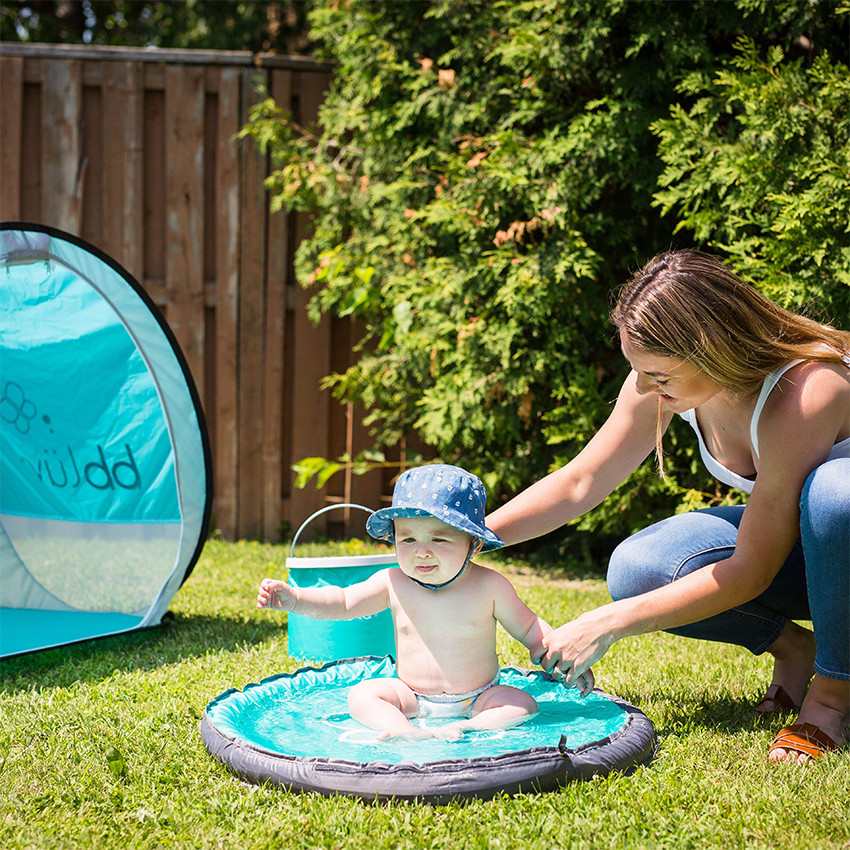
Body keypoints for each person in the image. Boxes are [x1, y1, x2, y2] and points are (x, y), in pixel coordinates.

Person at [486, 249, 849, 764]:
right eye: (637, 370)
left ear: (714, 349)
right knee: (642, 569)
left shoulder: (808, 390)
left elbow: (751, 570)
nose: (642, 387)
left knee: (837, 493)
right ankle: (795, 649)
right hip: (811, 559)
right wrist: (470, 535)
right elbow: (580, 482)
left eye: (657, 375)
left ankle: (833, 700)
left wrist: (607, 622)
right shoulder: (655, 384)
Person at [257, 464, 594, 741]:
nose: (421, 550)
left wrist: (565, 661)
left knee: (522, 703)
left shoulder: (490, 586)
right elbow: (343, 602)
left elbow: (531, 629)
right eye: (408, 539)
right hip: (410, 695)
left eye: (438, 538)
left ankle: (468, 728)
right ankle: (402, 729)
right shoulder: (393, 582)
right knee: (361, 696)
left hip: (479, 697)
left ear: (474, 545)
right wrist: (296, 599)